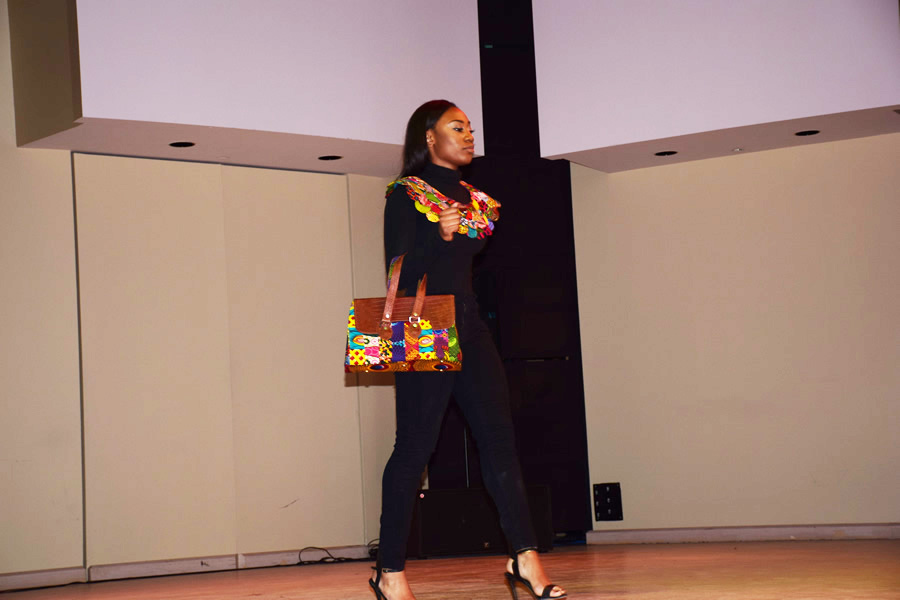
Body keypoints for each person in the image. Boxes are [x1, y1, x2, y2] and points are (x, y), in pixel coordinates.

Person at [370, 100, 567, 600]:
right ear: (429, 138)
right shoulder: (405, 193)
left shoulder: (476, 199)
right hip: (423, 322)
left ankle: (525, 556)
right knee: (414, 449)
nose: (468, 135)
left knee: (500, 442)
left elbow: (468, 259)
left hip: (469, 323)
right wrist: (439, 234)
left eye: (470, 128)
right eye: (456, 127)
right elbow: (398, 272)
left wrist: (454, 234)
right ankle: (389, 571)